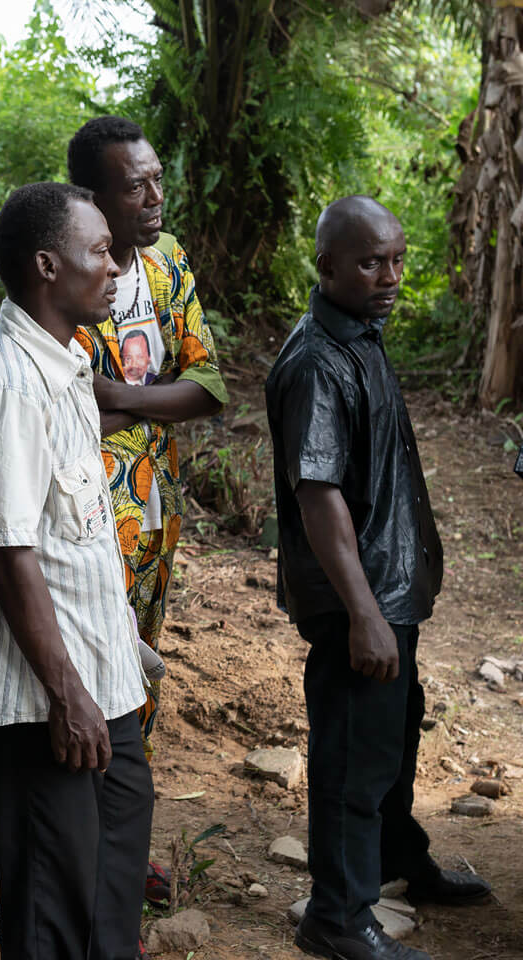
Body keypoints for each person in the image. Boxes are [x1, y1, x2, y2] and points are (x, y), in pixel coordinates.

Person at [266, 195, 492, 960]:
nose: (389, 276)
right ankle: (337, 916)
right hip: (356, 596)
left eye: (397, 259)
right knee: (353, 755)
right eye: (370, 263)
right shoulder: (317, 360)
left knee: (391, 736)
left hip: (388, 588)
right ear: (326, 266)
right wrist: (363, 612)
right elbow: (318, 494)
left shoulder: (360, 332)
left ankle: (396, 859)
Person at [0, 181, 153, 960]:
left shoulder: (65, 366)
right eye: (98, 251)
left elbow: (78, 541)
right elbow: (10, 552)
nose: (114, 267)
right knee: (53, 920)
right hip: (52, 709)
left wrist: (124, 648)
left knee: (108, 907)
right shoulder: (6, 382)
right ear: (46, 265)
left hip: (107, 687)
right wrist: (68, 693)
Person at [66, 116, 228, 757]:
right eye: (137, 188)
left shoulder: (166, 264)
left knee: (146, 652)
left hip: (160, 502)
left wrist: (124, 398)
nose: (156, 198)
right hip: (93, 511)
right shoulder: (70, 279)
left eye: (158, 180)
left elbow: (210, 386)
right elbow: (72, 415)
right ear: (93, 201)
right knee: (96, 656)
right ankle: (95, 817)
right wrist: (162, 397)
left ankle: (126, 822)